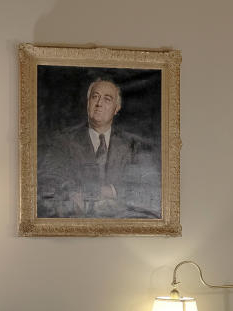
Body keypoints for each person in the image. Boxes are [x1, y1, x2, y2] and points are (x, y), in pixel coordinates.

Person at [37, 78, 160, 218]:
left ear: (116, 108)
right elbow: (47, 184)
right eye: (95, 97)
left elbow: (148, 188)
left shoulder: (132, 145)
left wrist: (107, 191)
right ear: (88, 103)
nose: (99, 104)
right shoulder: (64, 142)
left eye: (107, 99)